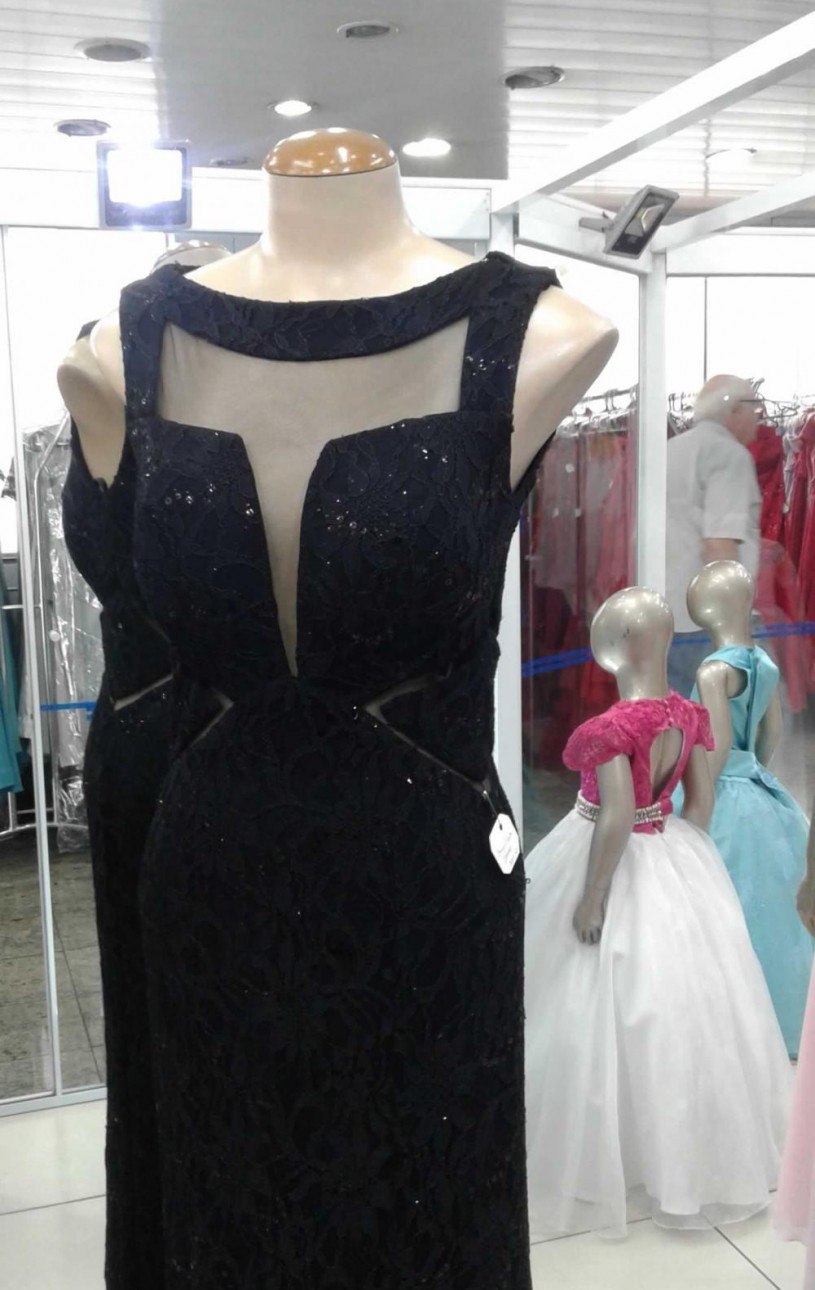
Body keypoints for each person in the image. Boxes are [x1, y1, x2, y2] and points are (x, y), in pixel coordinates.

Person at [665, 374, 763, 695]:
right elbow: (719, 547)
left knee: (681, 713)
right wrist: (735, 629)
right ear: (734, 411)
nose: (759, 420)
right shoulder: (729, 455)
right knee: (722, 715)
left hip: (668, 612)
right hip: (707, 621)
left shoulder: (669, 450)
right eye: (754, 409)